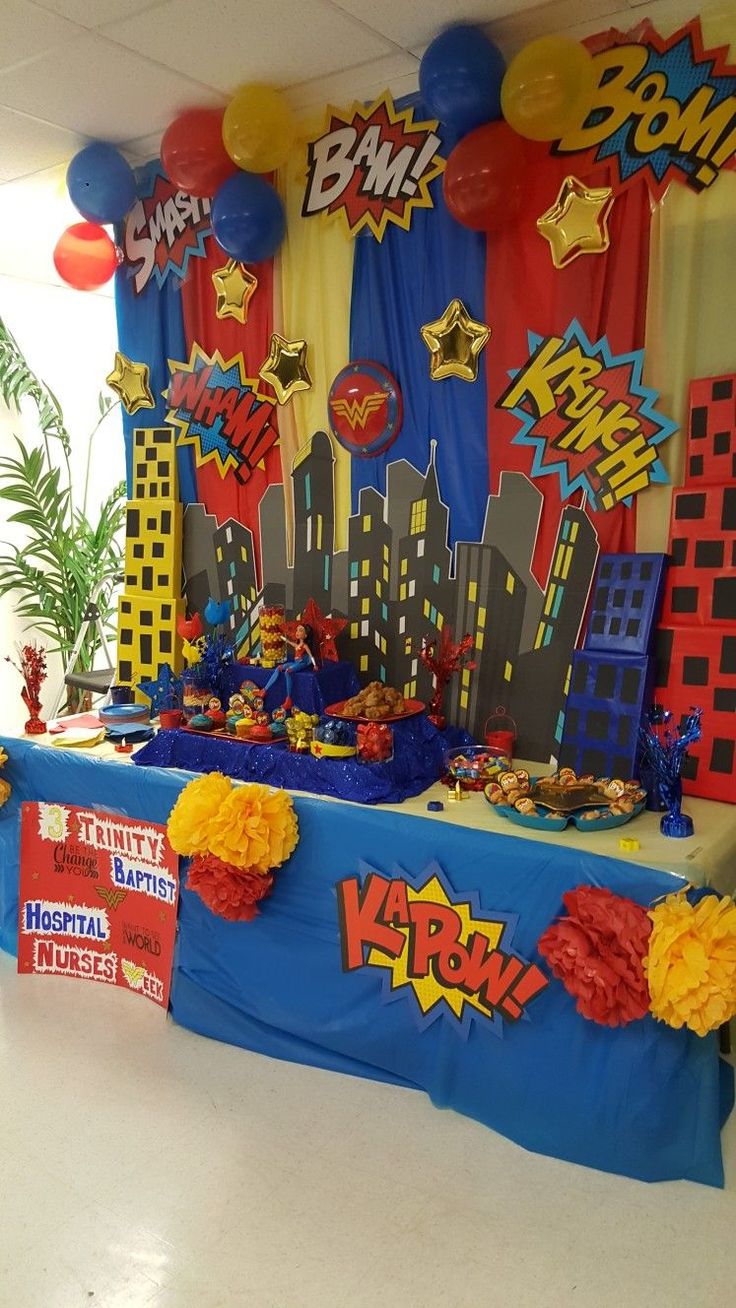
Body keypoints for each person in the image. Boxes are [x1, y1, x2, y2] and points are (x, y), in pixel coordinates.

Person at [263, 622, 315, 709]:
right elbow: (288, 641)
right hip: (295, 663)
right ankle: (264, 690)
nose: (297, 632)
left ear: (305, 635)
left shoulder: (305, 646)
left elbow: (311, 656)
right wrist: (281, 636)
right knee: (279, 668)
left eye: (300, 630)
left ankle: (288, 700)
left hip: (301, 663)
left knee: (288, 671)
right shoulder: (297, 645)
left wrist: (315, 665)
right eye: (297, 630)